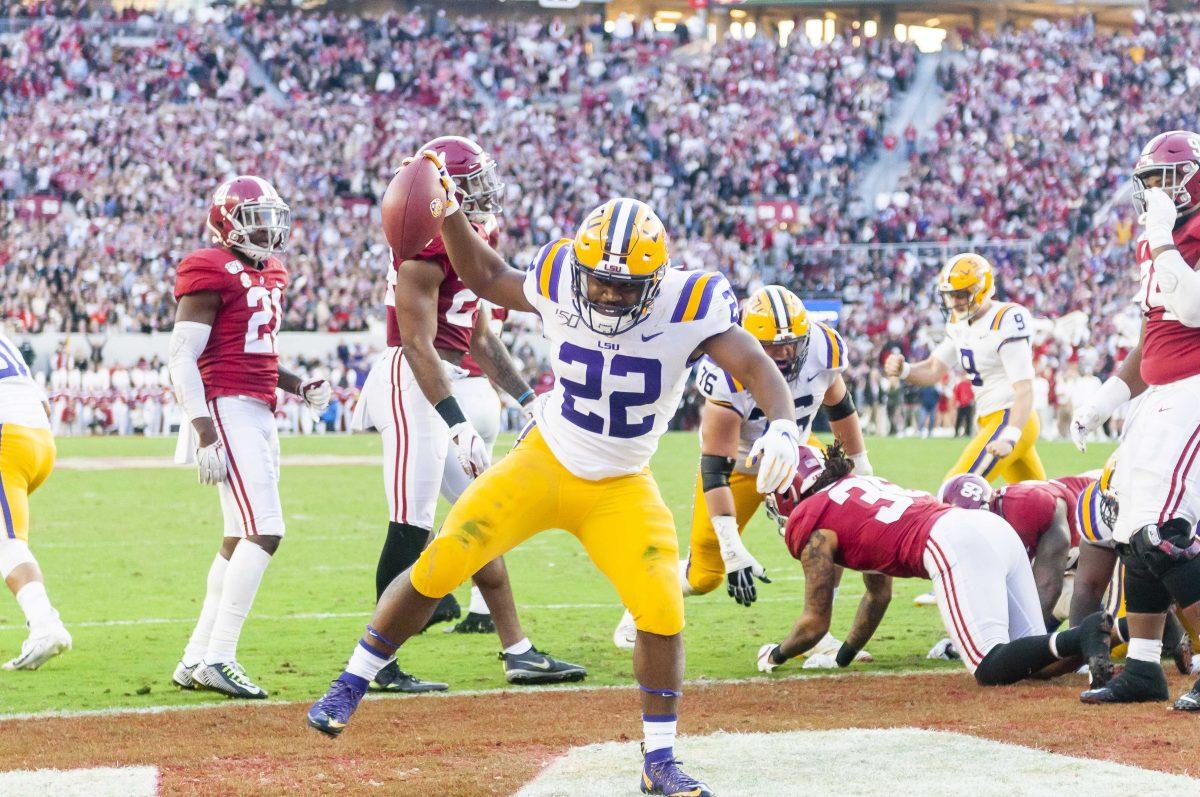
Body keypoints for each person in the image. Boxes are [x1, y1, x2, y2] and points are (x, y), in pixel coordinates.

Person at [309, 171, 801, 797]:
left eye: (621, 285)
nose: (604, 293)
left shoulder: (691, 302)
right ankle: (349, 684)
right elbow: (486, 277)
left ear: (655, 279)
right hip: (545, 460)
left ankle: (659, 761)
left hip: (621, 483)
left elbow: (755, 363)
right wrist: (448, 211)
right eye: (596, 277)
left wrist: (785, 425)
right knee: (446, 556)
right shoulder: (561, 273)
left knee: (662, 606)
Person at [352, 137, 582, 691]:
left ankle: (518, 651)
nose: (483, 192)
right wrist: (456, 420)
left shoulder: (477, 234)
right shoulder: (423, 245)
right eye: (470, 183)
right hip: (413, 383)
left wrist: (529, 400)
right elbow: (417, 344)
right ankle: (378, 662)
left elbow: (477, 335)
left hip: (447, 377)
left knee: (482, 520)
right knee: (413, 521)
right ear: (440, 194)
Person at [613, 286, 874, 668]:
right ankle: (640, 602)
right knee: (705, 576)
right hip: (738, 466)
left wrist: (859, 465)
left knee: (830, 535)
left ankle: (818, 634)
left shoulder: (823, 349)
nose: (783, 354)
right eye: (770, 346)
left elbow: (839, 404)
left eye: (791, 344)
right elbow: (714, 466)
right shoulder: (727, 371)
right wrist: (733, 549)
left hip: (796, 457)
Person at [756, 444, 1112, 687]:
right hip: (990, 529)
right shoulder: (858, 487)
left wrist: (776, 654)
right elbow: (877, 596)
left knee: (990, 667)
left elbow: (814, 623)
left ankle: (1085, 631)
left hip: (951, 541)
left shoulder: (812, 520)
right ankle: (1116, 631)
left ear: (789, 491)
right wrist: (843, 656)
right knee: (1037, 663)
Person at [168, 176, 331, 699]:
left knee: (238, 536)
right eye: (255, 217)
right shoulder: (208, 266)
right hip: (226, 408)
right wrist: (203, 432)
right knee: (268, 528)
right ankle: (220, 655)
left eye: (270, 217)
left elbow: (256, 353)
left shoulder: (273, 272)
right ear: (227, 222)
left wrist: (298, 384)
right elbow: (182, 359)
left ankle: (195, 658)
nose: (267, 228)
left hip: (258, 407)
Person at [1071, 131, 1200, 709]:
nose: (1154, 194)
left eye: (1162, 181)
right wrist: (1107, 398)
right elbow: (1151, 341)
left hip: (1195, 390)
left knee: (1163, 531)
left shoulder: (1177, 237)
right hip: (1160, 396)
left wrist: (1160, 236)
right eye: (1146, 184)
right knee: (1131, 531)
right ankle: (1145, 667)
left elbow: (1193, 307)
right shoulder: (1160, 241)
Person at [886, 253, 1043, 482]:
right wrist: (904, 370)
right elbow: (933, 369)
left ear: (982, 289)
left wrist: (1009, 436)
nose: (956, 302)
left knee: (956, 488)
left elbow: (1025, 388)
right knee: (1038, 507)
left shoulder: (1005, 319)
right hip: (988, 420)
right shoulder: (959, 324)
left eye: (962, 294)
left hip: (1011, 418)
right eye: (951, 296)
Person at [0, 330, 71, 670]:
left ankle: (45, 625)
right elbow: (44, 403)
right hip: (39, 439)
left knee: (7, 544)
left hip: (8, 439)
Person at [938, 473, 1070, 628]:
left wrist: (1016, 643)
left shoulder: (1027, 507)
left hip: (1087, 530)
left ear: (992, 504)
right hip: (1053, 539)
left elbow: (1048, 585)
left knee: (1074, 597)